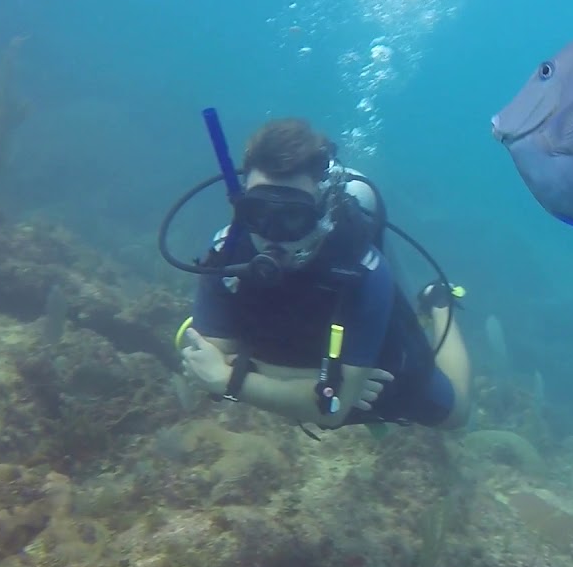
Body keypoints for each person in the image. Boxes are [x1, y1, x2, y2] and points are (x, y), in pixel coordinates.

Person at [177, 117, 471, 432]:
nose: (273, 236)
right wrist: (316, 382)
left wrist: (231, 378)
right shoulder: (227, 249)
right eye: (259, 213)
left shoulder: (363, 269)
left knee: (455, 415)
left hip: (367, 353)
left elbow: (331, 410)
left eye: (293, 217)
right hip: (322, 359)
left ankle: (439, 301)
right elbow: (202, 368)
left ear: (322, 213)